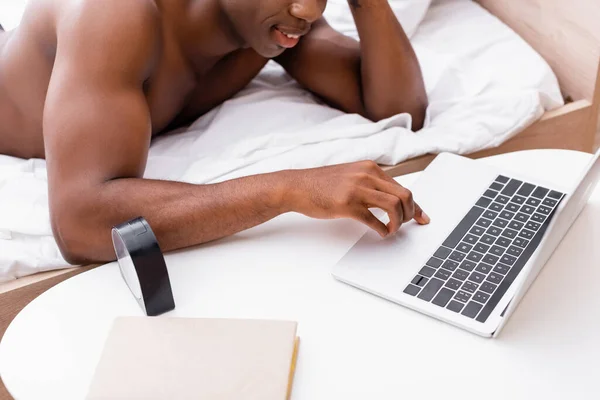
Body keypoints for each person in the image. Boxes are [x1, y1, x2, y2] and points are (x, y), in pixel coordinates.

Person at [0, 0, 429, 264]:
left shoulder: (272, 27)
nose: (310, 10)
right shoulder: (111, 14)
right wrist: (291, 189)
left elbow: (396, 108)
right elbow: (79, 223)